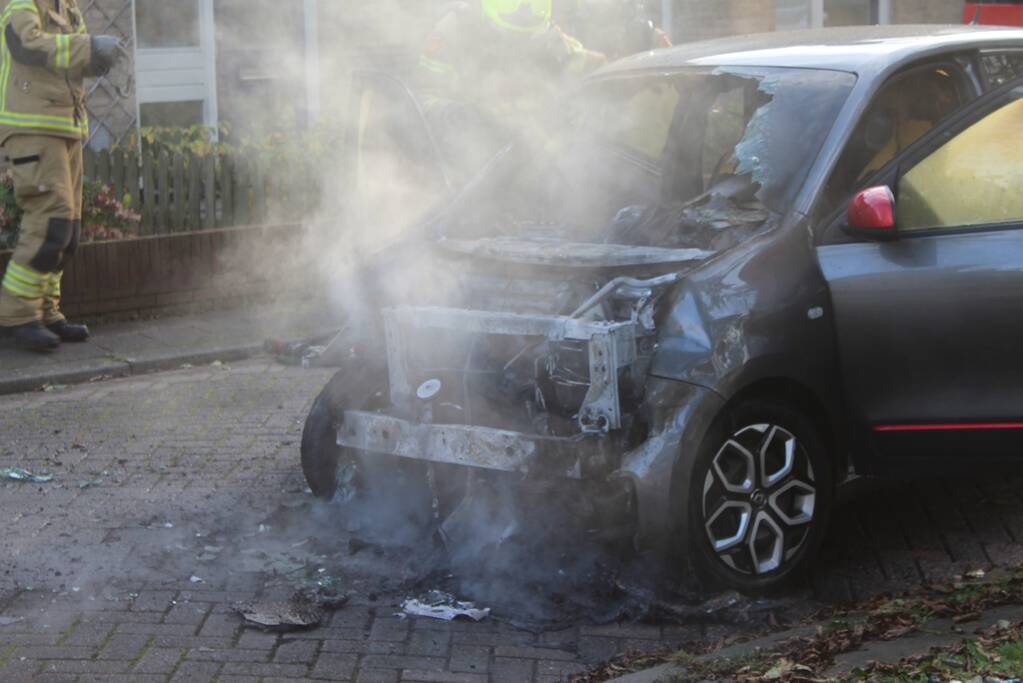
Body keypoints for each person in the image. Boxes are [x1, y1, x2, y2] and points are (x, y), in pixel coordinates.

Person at [0, 0, 122, 352]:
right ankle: (16, 315)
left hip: (64, 126)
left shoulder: (65, 6)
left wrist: (99, 58)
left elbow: (72, 55)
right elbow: (27, 44)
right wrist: (89, 47)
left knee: (68, 231)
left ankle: (47, 311)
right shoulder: (21, 2)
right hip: (33, 126)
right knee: (50, 221)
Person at [414, 0, 607, 180]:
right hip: (471, 167)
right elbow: (421, 99)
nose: (517, 48)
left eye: (527, 39)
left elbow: (589, 65)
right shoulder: (452, 32)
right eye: (508, 39)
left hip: (541, 163)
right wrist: (458, 115)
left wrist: (610, 81)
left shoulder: (544, 31)